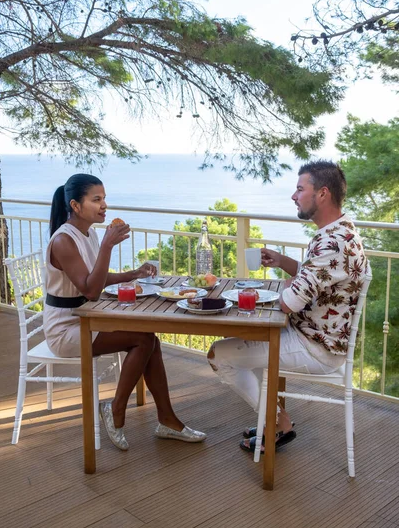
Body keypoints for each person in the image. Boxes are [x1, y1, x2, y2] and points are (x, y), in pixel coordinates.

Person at [207, 160, 368, 454]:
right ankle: (274, 420)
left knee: (219, 355)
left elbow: (288, 302)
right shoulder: (341, 232)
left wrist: (285, 290)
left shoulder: (330, 243)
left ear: (322, 194)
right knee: (248, 350)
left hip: (315, 347)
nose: (294, 196)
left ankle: (278, 423)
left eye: (299, 189)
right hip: (319, 337)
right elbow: (317, 279)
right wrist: (283, 262)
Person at [43, 173, 206, 451]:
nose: (104, 205)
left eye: (104, 198)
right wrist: (107, 245)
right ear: (76, 205)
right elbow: (91, 290)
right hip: (65, 329)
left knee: (149, 338)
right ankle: (116, 410)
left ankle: (166, 419)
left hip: (87, 319)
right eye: (96, 199)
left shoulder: (87, 233)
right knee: (143, 340)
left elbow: (96, 277)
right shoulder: (63, 241)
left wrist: (134, 273)